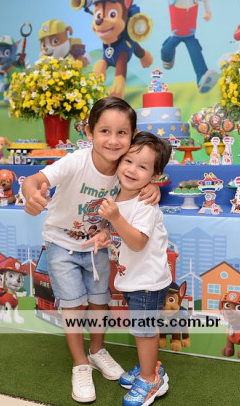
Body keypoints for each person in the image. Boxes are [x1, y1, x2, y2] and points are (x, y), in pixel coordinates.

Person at [22, 97, 160, 403]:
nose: (113, 140)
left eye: (122, 133)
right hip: (61, 243)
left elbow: (147, 174)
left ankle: (97, 350)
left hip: (97, 244)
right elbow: (34, 180)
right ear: (89, 132)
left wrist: (153, 186)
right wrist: (31, 194)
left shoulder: (126, 168)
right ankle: (80, 364)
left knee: (100, 300)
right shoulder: (76, 161)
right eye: (104, 131)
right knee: (73, 305)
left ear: (133, 135)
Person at [85, 132, 172, 406]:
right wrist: (105, 233)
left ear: (155, 176)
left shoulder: (145, 204)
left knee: (143, 331)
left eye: (142, 166)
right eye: (128, 161)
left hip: (147, 281)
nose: (132, 170)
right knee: (142, 330)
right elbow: (119, 233)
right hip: (133, 278)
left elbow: (137, 241)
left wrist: (114, 219)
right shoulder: (117, 196)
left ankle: (149, 379)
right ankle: (151, 367)